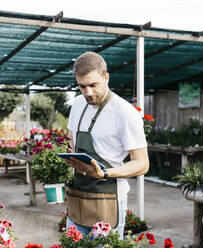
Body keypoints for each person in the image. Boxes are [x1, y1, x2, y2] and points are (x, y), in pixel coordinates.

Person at [64, 52, 149, 240]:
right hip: (78, 194)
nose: (88, 92)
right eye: (82, 86)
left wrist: (105, 173)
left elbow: (142, 163)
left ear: (106, 77)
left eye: (93, 85)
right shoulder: (77, 104)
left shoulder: (125, 113)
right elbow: (70, 142)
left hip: (107, 198)